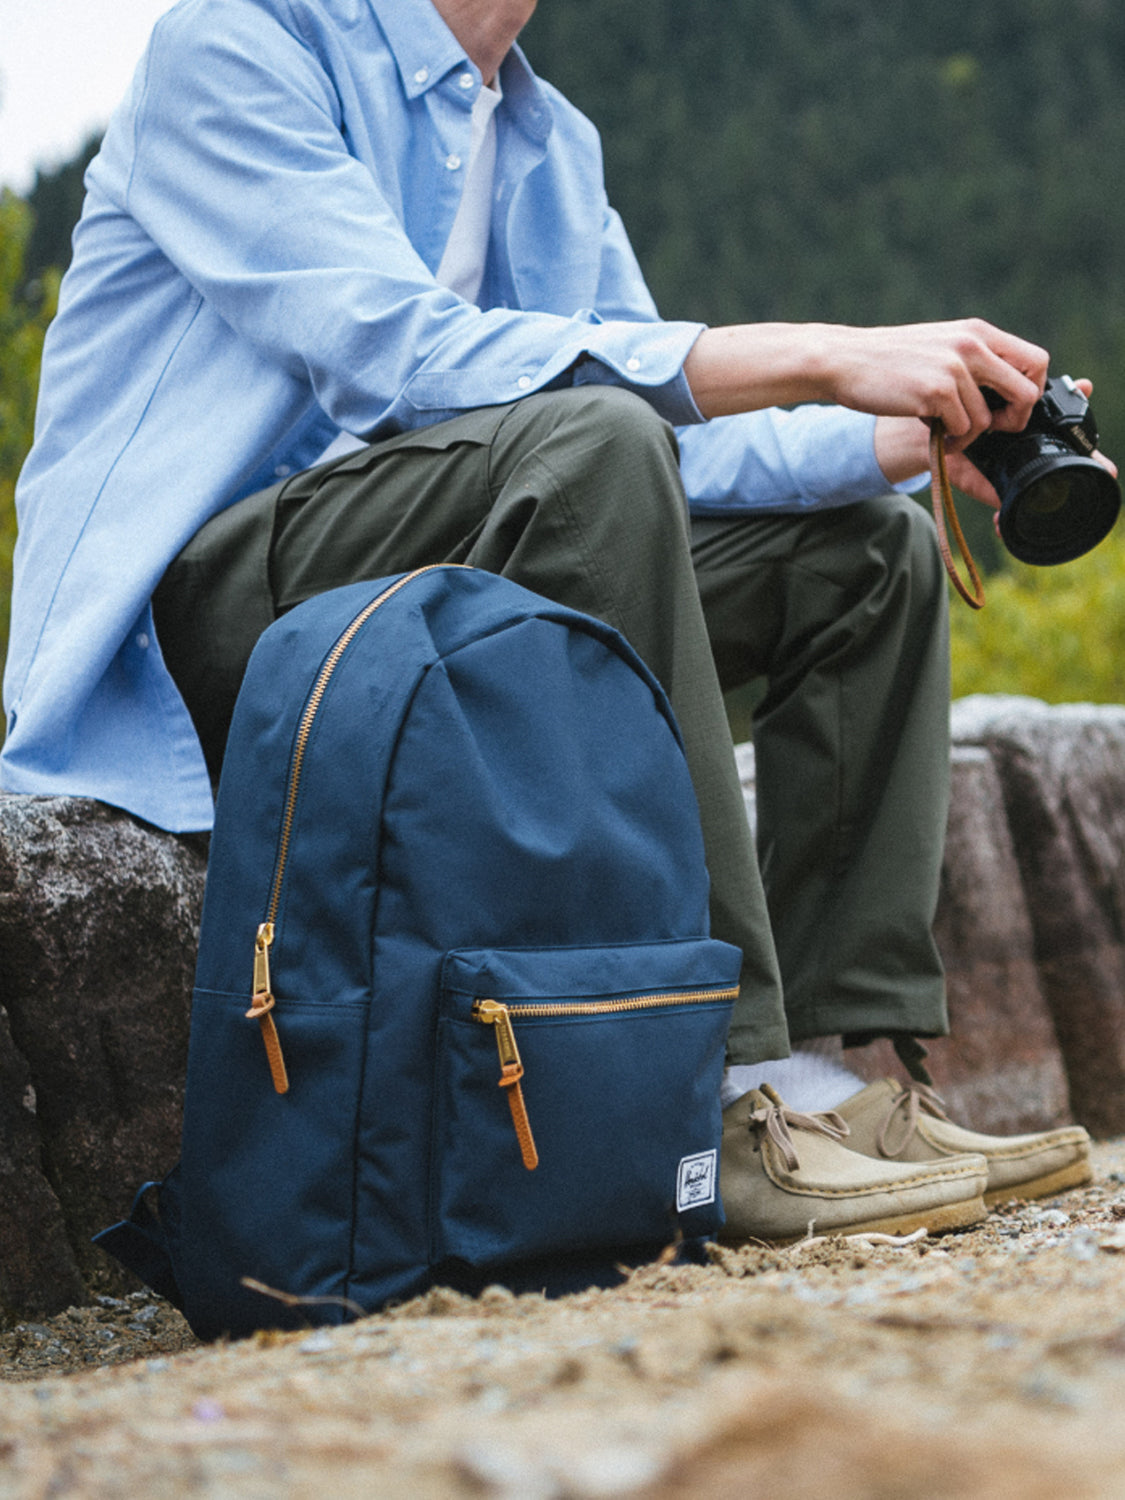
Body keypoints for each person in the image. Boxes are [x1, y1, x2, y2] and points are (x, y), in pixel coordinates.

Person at [2, 0, 1097, 1241]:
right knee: (593, 445)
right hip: (218, 619)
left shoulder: (543, 136)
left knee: (861, 546)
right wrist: (823, 350)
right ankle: (721, 1088)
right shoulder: (244, 45)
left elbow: (669, 442)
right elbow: (401, 358)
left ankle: (838, 1075)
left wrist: (894, 436)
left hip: (436, 582)